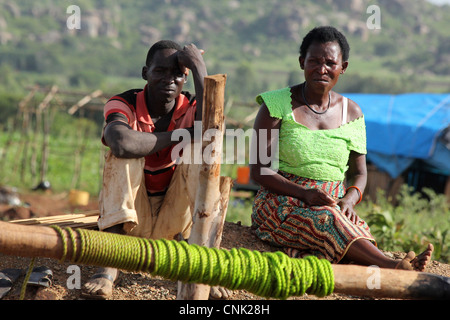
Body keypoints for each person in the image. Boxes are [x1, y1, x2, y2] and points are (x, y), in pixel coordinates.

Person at [250, 26, 433, 271]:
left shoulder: (353, 113)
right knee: (329, 222)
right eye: (313, 61)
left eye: (330, 63)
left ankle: (382, 267)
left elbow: (360, 173)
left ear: (343, 68)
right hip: (282, 201)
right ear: (301, 62)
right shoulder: (275, 105)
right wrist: (305, 194)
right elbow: (259, 171)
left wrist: (349, 200)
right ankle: (394, 266)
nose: (321, 69)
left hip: (333, 202)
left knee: (352, 227)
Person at [82, 40, 229, 299]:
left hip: (174, 226)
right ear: (145, 74)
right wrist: (181, 135)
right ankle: (107, 269)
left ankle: (206, 267)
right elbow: (121, 142)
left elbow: (211, 131)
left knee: (201, 150)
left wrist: (198, 66)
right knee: (122, 154)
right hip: (130, 223)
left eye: (178, 74)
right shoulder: (124, 102)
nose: (169, 79)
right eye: (160, 71)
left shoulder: (193, 105)